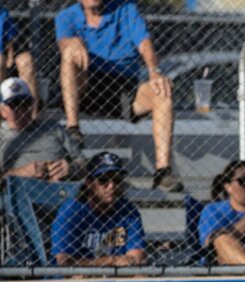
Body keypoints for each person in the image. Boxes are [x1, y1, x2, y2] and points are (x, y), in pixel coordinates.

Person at [55, 0, 183, 192]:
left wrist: (154, 71)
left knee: (161, 91)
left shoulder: (126, 9)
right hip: (86, 84)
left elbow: (144, 43)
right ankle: (73, 128)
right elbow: (63, 43)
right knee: (70, 52)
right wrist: (72, 43)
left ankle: (162, 171)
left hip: (123, 86)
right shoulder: (66, 16)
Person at [51, 151, 147, 266]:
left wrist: (93, 264)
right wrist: (111, 261)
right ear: (89, 183)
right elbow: (64, 262)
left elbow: (136, 258)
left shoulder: (128, 210)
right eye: (103, 180)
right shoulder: (72, 210)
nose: (111, 186)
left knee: (140, 275)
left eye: (117, 180)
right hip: (74, 278)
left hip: (114, 275)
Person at [0, 77, 84, 181]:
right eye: (14, 103)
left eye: (26, 102)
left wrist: (70, 168)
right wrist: (21, 172)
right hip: (19, 193)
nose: (21, 108)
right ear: (2, 110)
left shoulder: (53, 128)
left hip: (59, 190)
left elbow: (83, 163)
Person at [0, 8, 39, 111]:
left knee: (26, 61)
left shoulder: (3, 13)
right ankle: (2, 111)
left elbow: (10, 39)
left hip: (3, 56)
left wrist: (10, 56)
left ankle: (31, 116)